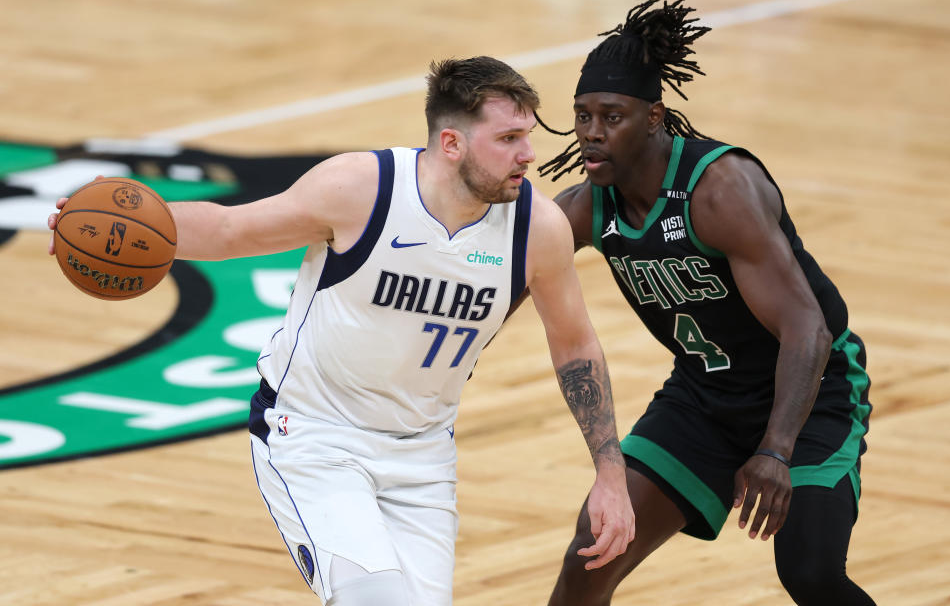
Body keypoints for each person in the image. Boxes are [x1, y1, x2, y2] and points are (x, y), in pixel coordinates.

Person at [47, 56, 634, 606]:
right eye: (509, 139)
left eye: (528, 135)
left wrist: (609, 473)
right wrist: (115, 227)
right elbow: (230, 231)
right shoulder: (363, 187)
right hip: (314, 435)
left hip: (424, 454)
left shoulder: (537, 227)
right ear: (451, 143)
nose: (529, 154)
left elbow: (576, 345)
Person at [538, 0, 875, 605]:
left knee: (811, 573)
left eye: (611, 116)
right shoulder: (584, 209)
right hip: (705, 398)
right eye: (582, 116)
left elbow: (808, 327)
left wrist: (775, 449)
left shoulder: (719, 189)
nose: (591, 131)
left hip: (811, 392)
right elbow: (493, 292)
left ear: (654, 118)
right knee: (590, 556)